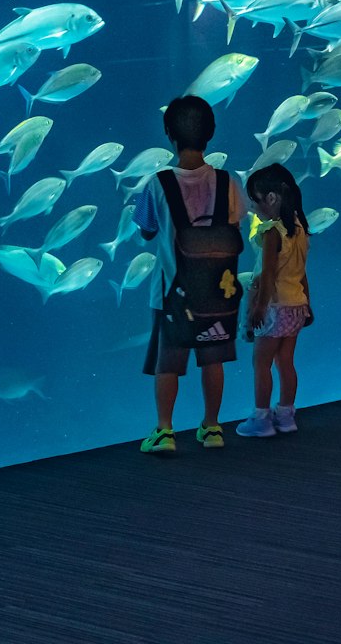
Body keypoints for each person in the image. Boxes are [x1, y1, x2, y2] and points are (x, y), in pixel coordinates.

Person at [134, 95, 246, 454]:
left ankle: (164, 431)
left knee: (168, 363)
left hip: (171, 293)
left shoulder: (156, 183)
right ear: (211, 134)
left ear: (169, 133)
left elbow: (146, 230)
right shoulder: (230, 181)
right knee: (213, 360)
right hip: (218, 292)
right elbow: (235, 222)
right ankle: (212, 427)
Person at [236, 163, 311, 438]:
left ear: (271, 198)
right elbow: (302, 273)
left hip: (274, 308)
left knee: (261, 363)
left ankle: (262, 419)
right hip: (296, 307)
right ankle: (287, 415)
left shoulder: (272, 232)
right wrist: (308, 304)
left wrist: (258, 307)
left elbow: (267, 276)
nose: (252, 208)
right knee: (286, 361)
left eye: (254, 200)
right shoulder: (301, 228)